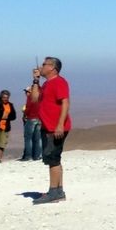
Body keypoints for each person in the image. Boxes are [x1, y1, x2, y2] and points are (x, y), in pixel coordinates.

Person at [30, 56, 70, 204]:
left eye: (44, 64)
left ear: (52, 67)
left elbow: (65, 103)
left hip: (55, 128)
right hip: (48, 126)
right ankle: (58, 191)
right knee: (54, 158)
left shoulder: (59, 82)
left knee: (52, 158)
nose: (41, 66)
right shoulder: (47, 84)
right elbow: (34, 99)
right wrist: (36, 81)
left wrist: (60, 124)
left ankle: (53, 192)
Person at [20, 86, 43, 161]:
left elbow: (28, 108)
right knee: (38, 138)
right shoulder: (40, 97)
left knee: (28, 138)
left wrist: (25, 114)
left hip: (31, 118)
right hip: (39, 119)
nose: (26, 93)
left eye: (27, 92)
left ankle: (28, 156)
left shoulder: (30, 97)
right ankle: (37, 155)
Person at [0, 90, 17, 162]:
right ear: (1, 97)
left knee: (2, 144)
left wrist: (7, 117)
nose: (5, 99)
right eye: (4, 97)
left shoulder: (10, 105)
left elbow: (14, 116)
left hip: (6, 127)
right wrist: (1, 116)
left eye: (7, 97)